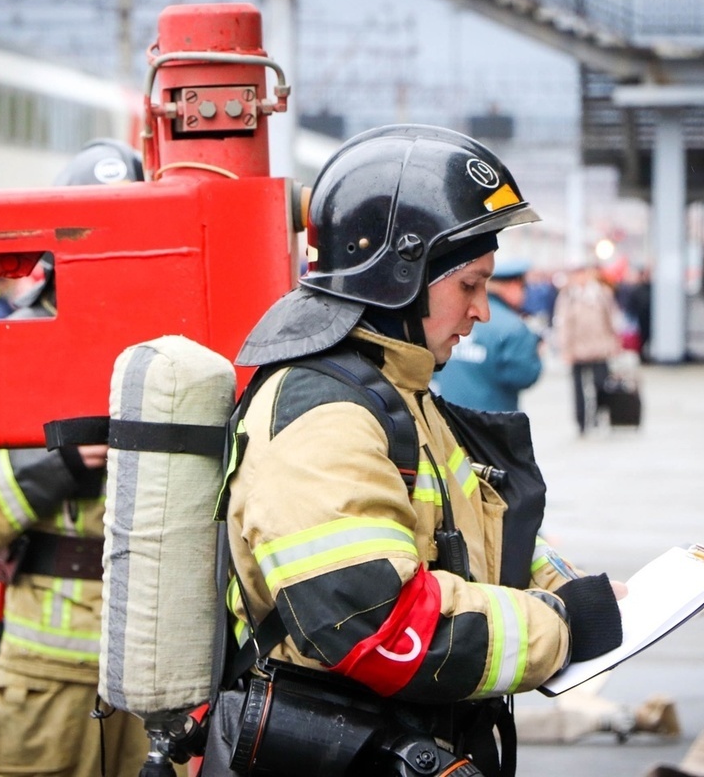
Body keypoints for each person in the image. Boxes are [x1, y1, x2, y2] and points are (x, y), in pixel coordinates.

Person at [219, 125, 624, 776]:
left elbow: (473, 533)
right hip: (353, 750)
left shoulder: (399, 392)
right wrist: (563, 626)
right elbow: (380, 629)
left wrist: (572, 587)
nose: (482, 311)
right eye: (469, 285)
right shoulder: (324, 416)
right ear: (399, 275)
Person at [0, 140, 165, 777]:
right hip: (49, 677)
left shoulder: (193, 342)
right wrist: (55, 465)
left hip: (173, 667)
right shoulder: (7, 346)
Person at [433, 257, 543, 411]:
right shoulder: (514, 327)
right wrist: (537, 354)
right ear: (512, 286)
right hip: (492, 422)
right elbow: (524, 376)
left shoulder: (452, 318)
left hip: (449, 418)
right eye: (523, 287)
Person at [552, 263, 621, 436]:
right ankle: (581, 422)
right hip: (577, 348)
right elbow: (563, 324)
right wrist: (565, 349)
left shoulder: (602, 293)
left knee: (602, 384)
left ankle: (599, 415)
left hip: (599, 346)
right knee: (578, 388)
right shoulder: (568, 296)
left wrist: (615, 343)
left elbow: (612, 319)